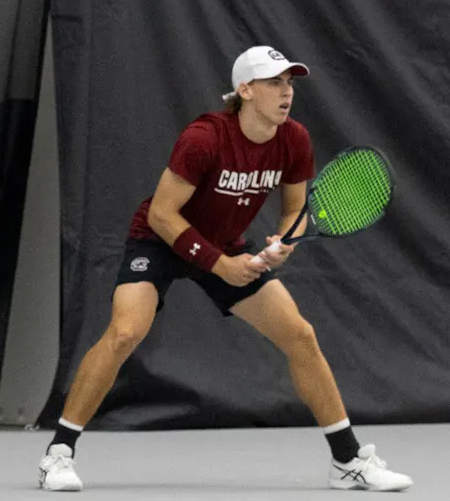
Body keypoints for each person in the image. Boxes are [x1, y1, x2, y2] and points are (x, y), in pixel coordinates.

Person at [38, 46, 413, 493]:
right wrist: (219, 264)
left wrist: (283, 243)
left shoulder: (293, 139)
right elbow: (161, 214)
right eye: (274, 82)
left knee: (300, 334)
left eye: (290, 83)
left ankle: (348, 461)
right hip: (161, 241)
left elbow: (296, 209)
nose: (286, 91)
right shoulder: (205, 138)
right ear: (245, 90)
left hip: (228, 245)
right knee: (124, 333)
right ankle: (58, 455)